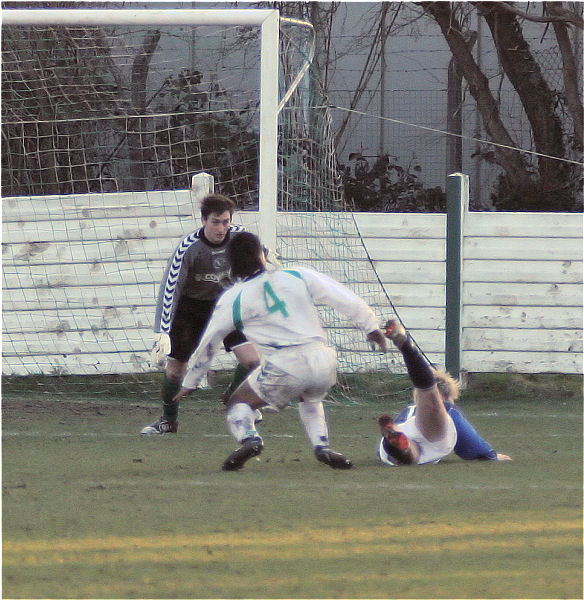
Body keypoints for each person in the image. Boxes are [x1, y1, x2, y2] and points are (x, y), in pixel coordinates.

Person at [173, 231, 388, 471]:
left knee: (238, 403)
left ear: (232, 265)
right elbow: (341, 296)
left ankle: (250, 439)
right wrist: (371, 327)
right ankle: (322, 446)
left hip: (285, 364)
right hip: (323, 360)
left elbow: (211, 340)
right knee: (310, 397)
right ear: (262, 255)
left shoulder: (234, 297)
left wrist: (191, 380)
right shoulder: (296, 274)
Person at [141, 194, 261, 435]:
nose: (221, 228)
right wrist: (162, 331)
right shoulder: (188, 249)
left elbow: (259, 258)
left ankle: (234, 399)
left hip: (226, 306)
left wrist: (266, 262)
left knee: (253, 361)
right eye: (215, 222)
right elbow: (170, 290)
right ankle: (168, 420)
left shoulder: (240, 237)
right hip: (191, 309)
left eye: (225, 222)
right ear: (203, 220)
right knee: (176, 371)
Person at [377, 319, 511, 466]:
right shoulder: (445, 407)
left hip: (388, 448)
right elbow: (468, 443)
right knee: (428, 390)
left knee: (411, 450)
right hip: (429, 437)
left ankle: (398, 442)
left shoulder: (408, 410)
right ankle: (406, 346)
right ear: (443, 396)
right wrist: (488, 454)